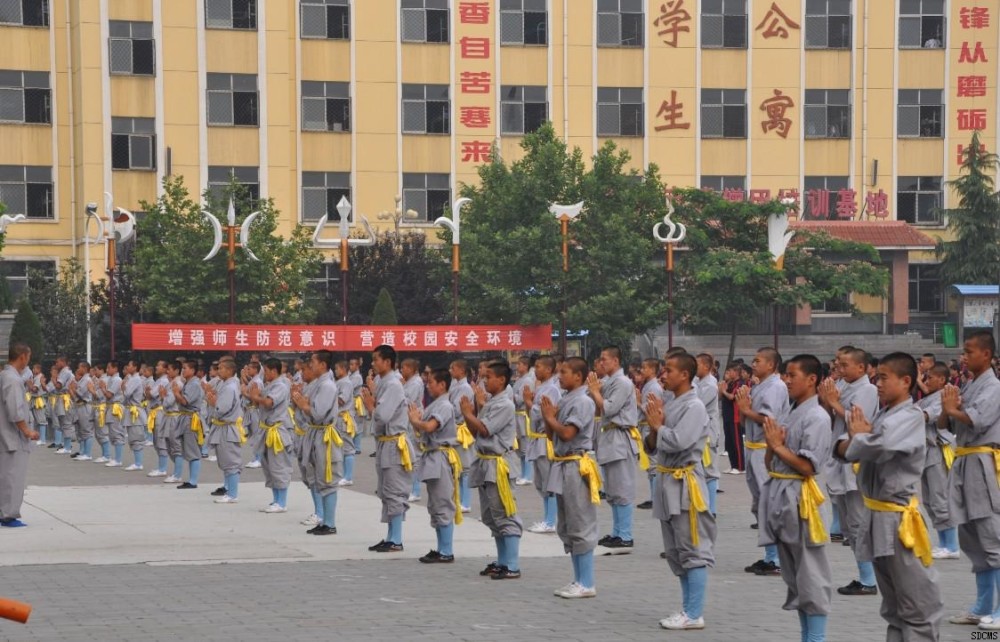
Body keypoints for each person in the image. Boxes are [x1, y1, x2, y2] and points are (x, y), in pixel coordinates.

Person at [838, 352, 943, 640]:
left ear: (906, 381)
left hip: (899, 520)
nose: (878, 383)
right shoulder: (886, 414)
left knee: (919, 605)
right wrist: (857, 440)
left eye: (884, 378)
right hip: (878, 516)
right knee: (895, 605)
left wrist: (857, 439)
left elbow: (876, 445)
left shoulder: (909, 416)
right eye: (877, 377)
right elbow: (851, 446)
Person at [758, 354, 833, 642]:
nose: (786, 380)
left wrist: (777, 446)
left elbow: (807, 467)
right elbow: (772, 461)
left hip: (802, 502)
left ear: (812, 380)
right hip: (782, 496)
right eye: (786, 375)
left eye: (792, 375)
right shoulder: (792, 411)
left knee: (812, 576)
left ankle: (816, 638)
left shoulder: (817, 417)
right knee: (796, 577)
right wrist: (771, 446)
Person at [644, 352, 714, 631]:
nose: (664, 374)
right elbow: (654, 444)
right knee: (675, 550)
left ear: (685, 375)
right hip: (667, 479)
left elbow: (678, 442)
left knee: (691, 547)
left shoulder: (694, 406)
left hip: (686, 482)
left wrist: (658, 426)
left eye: (669, 370)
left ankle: (694, 612)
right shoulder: (671, 403)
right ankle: (687, 608)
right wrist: (654, 427)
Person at [941, 331, 1000, 629]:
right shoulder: (971, 383)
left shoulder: (994, 386)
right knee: (972, 538)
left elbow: (979, 420)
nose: (964, 356)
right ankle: (982, 606)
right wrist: (948, 407)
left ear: (986, 355)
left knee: (991, 535)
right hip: (963, 458)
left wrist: (953, 409)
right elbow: (952, 417)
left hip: (981, 461)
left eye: (970, 351)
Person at [819, 348, 880, 596]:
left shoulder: (868, 390)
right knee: (848, 525)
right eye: (838, 365)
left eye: (845, 365)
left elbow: (857, 422)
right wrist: (827, 400)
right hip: (839, 457)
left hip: (854, 460)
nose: (839, 370)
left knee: (858, 524)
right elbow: (832, 416)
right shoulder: (843, 386)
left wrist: (833, 401)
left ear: (862, 368)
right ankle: (865, 575)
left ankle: (869, 579)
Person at [540, 356, 601, 598]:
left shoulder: (583, 402)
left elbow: (566, 433)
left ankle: (587, 582)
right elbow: (551, 434)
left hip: (577, 465)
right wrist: (549, 416)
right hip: (562, 464)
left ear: (578, 376)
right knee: (567, 524)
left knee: (581, 522)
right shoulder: (566, 399)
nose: (559, 376)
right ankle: (577, 579)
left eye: (564, 372)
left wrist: (552, 418)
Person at [462, 360, 522, 580]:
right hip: (486, 462)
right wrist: (474, 411)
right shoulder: (491, 401)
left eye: (488, 377)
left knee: (505, 513)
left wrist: (468, 413)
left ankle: (513, 564)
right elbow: (475, 430)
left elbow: (485, 430)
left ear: (502, 379)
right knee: (491, 515)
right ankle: (502, 560)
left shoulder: (505, 404)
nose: (485, 381)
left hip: (498, 464)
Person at [736, 348, 790, 575]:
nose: (753, 364)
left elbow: (770, 419)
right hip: (753, 447)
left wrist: (746, 410)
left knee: (769, 503)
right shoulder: (760, 385)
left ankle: (776, 558)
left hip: (764, 449)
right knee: (760, 503)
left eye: (758, 360)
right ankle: (770, 555)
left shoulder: (776, 386)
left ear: (771, 364)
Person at [587, 346, 644, 552]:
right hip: (609, 437)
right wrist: (593, 389)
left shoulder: (622, 382)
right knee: (612, 490)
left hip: (620, 437)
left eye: (604, 359)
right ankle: (618, 532)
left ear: (616, 361)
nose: (601, 363)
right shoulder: (609, 381)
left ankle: (625, 534)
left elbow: (609, 408)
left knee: (622, 488)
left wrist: (595, 391)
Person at [408, 367, 461, 563]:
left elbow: (430, 427)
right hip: (432, 455)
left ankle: (446, 551)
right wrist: (415, 420)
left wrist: (416, 420)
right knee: (435, 503)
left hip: (441, 457)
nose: (428, 386)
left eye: (431, 383)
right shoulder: (436, 404)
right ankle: (441, 548)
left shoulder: (445, 405)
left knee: (443, 502)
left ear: (442, 384)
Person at [362, 345, 412, 552]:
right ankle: (391, 535)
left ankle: (397, 539)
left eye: (376, 359)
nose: (373, 363)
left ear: (388, 362)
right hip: (384, 441)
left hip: (393, 442)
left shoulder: (393, 384)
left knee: (394, 491)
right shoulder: (384, 382)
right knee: (385, 490)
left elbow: (383, 415)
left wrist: (371, 405)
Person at [292, 350, 342, 534]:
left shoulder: (327, 385)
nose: (310, 365)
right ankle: (323, 519)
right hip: (314, 433)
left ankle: (330, 523)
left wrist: (304, 405)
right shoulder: (317, 384)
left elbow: (318, 412)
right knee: (316, 476)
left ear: (322, 364)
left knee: (327, 478)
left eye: (313, 361)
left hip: (324, 435)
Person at [918, 361, 959, 560]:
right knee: (929, 500)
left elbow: (927, 416)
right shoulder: (929, 397)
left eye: (930, 377)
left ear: (942, 379)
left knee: (940, 497)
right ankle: (943, 542)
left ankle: (951, 545)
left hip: (936, 452)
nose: (927, 381)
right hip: (924, 453)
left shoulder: (944, 397)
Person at [247, 358, 294, 513]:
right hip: (267, 430)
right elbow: (261, 400)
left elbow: (268, 403)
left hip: (277, 431)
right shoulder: (271, 385)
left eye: (266, 371)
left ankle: (282, 502)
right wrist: (252, 395)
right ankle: (275, 500)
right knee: (269, 466)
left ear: (274, 371)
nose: (265, 375)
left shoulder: (281, 385)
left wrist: (255, 396)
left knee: (278, 465)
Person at [0, 342, 37, 528]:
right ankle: (8, 515)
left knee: (6, 476)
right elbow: (15, 410)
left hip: (6, 436)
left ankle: (4, 511)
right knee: (13, 477)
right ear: (22, 356)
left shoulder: (6, 376)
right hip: (12, 438)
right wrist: (27, 431)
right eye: (28, 357)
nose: (28, 361)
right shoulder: (12, 380)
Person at [524, 355, 562, 534]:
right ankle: (547, 517)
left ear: (548, 369)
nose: (535, 370)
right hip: (536, 437)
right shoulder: (542, 388)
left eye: (538, 367)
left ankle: (550, 521)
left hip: (544, 438)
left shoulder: (552, 389)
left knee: (549, 482)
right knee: (541, 482)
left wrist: (530, 403)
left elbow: (548, 412)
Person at [695, 353, 722, 515]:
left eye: (697, 364)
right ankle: (704, 503)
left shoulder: (710, 385)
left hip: (708, 432)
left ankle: (711, 509)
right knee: (701, 470)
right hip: (700, 431)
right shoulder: (698, 382)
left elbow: (697, 404)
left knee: (710, 470)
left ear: (706, 366)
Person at [173, 360, 205, 490]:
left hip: (191, 418)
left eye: (185, 368)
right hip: (185, 417)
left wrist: (176, 392)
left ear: (193, 370)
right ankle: (191, 480)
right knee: (188, 449)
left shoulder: (194, 384)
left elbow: (185, 401)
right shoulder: (189, 383)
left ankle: (193, 481)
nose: (183, 370)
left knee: (193, 450)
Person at [449, 359, 476, 513]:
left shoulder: (465, 388)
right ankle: (458, 500)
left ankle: (466, 502)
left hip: (462, 428)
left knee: (465, 467)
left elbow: (458, 410)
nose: (451, 370)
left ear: (462, 371)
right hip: (455, 428)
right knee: (457, 468)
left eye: (454, 368)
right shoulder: (456, 385)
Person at [636, 358, 664, 510]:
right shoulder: (648, 385)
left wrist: (638, 402)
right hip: (644, 426)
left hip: (649, 426)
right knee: (649, 464)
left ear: (653, 370)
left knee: (653, 464)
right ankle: (653, 496)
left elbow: (651, 409)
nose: (642, 370)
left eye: (645, 368)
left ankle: (655, 498)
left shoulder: (653, 387)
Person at [401, 358, 424, 502]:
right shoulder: (409, 383)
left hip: (413, 419)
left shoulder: (416, 383)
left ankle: (416, 490)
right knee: (409, 455)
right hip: (408, 419)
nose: (402, 370)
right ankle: (409, 487)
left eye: (404, 367)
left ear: (411, 368)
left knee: (415, 455)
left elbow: (408, 401)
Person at [334, 360, 359, 487]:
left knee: (348, 448)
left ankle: (348, 477)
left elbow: (342, 400)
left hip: (343, 418)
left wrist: (328, 400)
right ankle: (343, 474)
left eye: (337, 368)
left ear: (343, 369)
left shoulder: (346, 383)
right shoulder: (339, 382)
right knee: (341, 448)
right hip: (337, 417)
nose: (336, 371)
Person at [513, 355, 535, 487]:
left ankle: (528, 475)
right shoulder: (519, 380)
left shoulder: (527, 381)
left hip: (523, 414)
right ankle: (522, 473)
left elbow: (521, 399)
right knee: (520, 448)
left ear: (526, 366)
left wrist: (511, 394)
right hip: (517, 415)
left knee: (526, 446)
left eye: (520, 364)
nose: (517, 366)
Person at [122, 360, 148, 471]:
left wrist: (123, 388)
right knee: (133, 436)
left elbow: (127, 393)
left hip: (135, 410)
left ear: (135, 367)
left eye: (129, 365)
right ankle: (137, 462)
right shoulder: (133, 378)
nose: (128, 367)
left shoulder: (136, 379)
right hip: (131, 409)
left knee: (136, 436)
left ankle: (138, 463)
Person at [103, 361, 126, 467]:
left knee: (117, 433)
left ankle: (118, 459)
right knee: (112, 433)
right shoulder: (112, 379)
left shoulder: (117, 379)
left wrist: (103, 388)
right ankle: (116, 457)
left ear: (115, 368)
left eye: (109, 367)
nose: (107, 370)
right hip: (111, 407)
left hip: (115, 407)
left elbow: (109, 395)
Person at [52, 355, 75, 454]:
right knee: (63, 422)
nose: (56, 364)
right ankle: (66, 445)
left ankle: (67, 446)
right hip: (63, 397)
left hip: (65, 398)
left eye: (57, 362)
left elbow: (58, 386)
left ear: (63, 362)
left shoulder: (64, 372)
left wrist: (53, 377)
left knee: (66, 422)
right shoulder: (65, 371)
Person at [27, 364, 47, 447]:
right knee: (35, 420)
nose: (33, 370)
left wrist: (29, 383)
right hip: (34, 399)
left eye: (34, 368)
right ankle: (38, 437)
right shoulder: (35, 377)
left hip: (39, 400)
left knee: (41, 419)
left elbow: (34, 389)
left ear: (38, 369)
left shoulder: (39, 377)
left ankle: (43, 439)